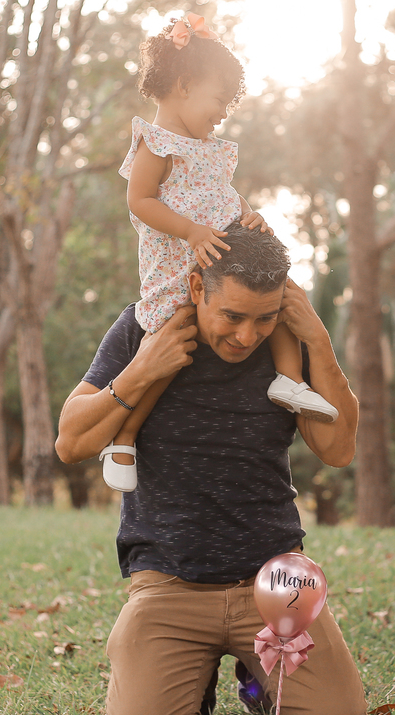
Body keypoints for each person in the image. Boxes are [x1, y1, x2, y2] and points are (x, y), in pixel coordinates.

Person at [55, 223, 368, 715]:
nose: (248, 336)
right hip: (170, 582)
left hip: (274, 580)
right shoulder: (143, 326)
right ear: (198, 288)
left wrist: (318, 341)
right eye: (233, 316)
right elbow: (71, 440)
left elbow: (337, 449)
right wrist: (140, 372)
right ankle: (195, 672)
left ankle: (253, 670)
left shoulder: (290, 342)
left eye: (264, 318)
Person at [103, 13, 337, 494]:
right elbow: (140, 201)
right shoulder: (158, 143)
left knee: (273, 306)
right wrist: (190, 232)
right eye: (219, 100)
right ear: (184, 85)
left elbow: (225, 197)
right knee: (166, 352)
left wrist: (251, 217)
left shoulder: (208, 147)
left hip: (218, 259)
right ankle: (124, 437)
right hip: (177, 263)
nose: (223, 112)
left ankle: (289, 382)